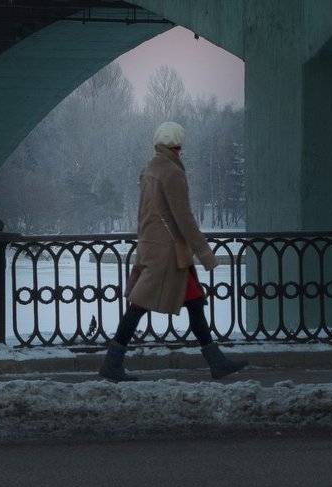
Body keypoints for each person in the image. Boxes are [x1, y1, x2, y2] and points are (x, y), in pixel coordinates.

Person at [99, 121, 246, 382]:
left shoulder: (149, 170)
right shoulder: (172, 172)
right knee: (139, 306)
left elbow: (143, 214)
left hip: (156, 249)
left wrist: (144, 246)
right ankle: (112, 364)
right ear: (178, 146)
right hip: (169, 255)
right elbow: (184, 217)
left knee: (193, 303)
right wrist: (205, 253)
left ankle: (216, 362)